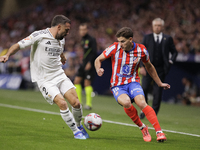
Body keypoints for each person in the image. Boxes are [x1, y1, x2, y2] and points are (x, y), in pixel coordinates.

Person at [0, 15, 89, 140]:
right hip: (44, 79)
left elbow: (58, 48)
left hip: (59, 74)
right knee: (62, 103)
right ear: (59, 26)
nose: (68, 32)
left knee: (76, 103)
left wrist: (62, 57)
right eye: (66, 29)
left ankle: (79, 126)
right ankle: (76, 132)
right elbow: (18, 45)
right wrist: (7, 55)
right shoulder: (39, 35)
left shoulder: (61, 38)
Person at [95, 27, 169, 142]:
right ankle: (142, 127)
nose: (120, 44)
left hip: (133, 82)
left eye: (122, 41)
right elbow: (98, 59)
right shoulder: (114, 47)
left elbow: (149, 66)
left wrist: (159, 82)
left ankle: (159, 132)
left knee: (142, 102)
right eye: (118, 41)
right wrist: (98, 69)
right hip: (117, 85)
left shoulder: (141, 50)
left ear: (130, 39)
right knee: (126, 102)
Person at [139, 18, 178, 119]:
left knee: (158, 92)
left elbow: (174, 52)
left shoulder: (168, 38)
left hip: (161, 69)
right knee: (144, 89)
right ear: (152, 27)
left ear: (162, 27)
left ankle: (153, 113)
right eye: (155, 25)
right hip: (148, 68)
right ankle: (145, 109)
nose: (157, 27)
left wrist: (170, 61)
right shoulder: (147, 38)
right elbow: (141, 52)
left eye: (159, 25)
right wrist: (142, 66)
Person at [74, 23, 97, 110]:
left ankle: (88, 104)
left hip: (89, 64)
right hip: (83, 63)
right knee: (76, 81)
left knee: (87, 83)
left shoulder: (91, 39)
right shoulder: (82, 40)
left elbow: (94, 52)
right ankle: (78, 102)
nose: (82, 31)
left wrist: (90, 63)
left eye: (84, 29)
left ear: (87, 30)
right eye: (81, 29)